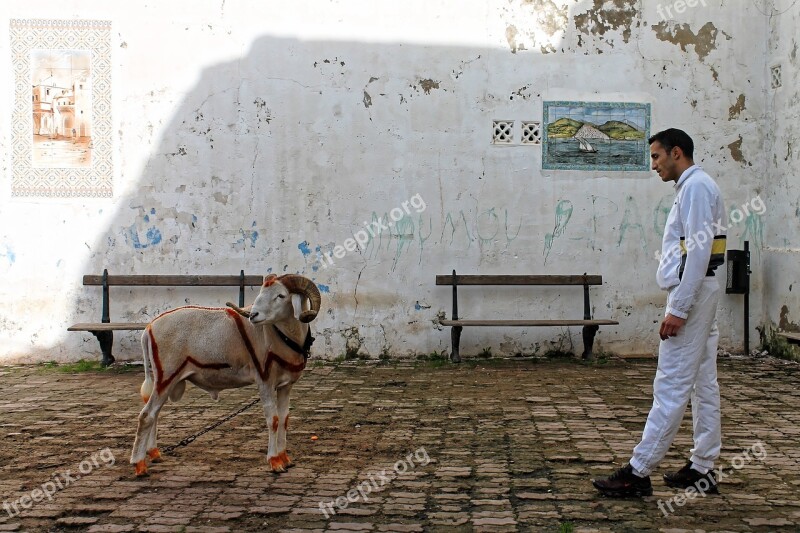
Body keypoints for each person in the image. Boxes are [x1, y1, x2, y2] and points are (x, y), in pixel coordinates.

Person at [592, 128, 727, 497]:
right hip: (700, 290)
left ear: (676, 153)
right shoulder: (693, 187)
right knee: (702, 382)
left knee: (670, 384)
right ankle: (702, 468)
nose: (653, 165)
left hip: (692, 294)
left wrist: (679, 308)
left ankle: (638, 472)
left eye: (656, 156)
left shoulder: (696, 188)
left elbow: (697, 254)